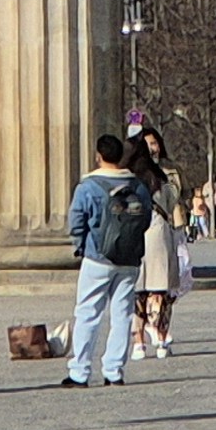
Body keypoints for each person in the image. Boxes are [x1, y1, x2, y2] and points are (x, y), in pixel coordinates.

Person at [62, 133, 148, 387]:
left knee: (88, 312)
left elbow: (76, 220)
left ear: (98, 156)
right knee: (122, 313)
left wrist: (80, 245)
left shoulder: (88, 186)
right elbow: (146, 218)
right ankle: (114, 371)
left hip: (98, 256)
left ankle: (80, 371)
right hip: (129, 258)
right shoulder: (138, 185)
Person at [131, 126, 187, 360]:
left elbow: (177, 198)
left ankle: (150, 338)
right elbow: (173, 197)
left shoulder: (165, 170)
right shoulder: (152, 175)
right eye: (148, 144)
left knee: (151, 288)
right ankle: (145, 339)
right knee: (149, 288)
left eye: (154, 143)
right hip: (151, 229)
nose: (152, 148)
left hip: (156, 230)